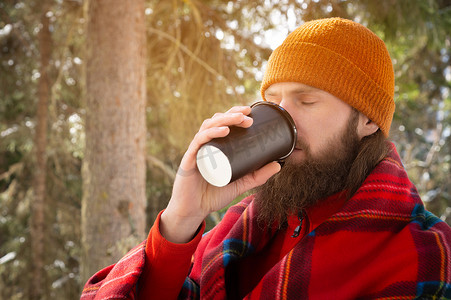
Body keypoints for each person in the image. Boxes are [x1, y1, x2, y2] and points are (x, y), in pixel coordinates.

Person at [80, 18, 451, 300]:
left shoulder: (423, 252)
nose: (284, 117)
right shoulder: (243, 226)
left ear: (367, 119)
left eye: (306, 100)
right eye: (273, 102)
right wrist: (181, 219)